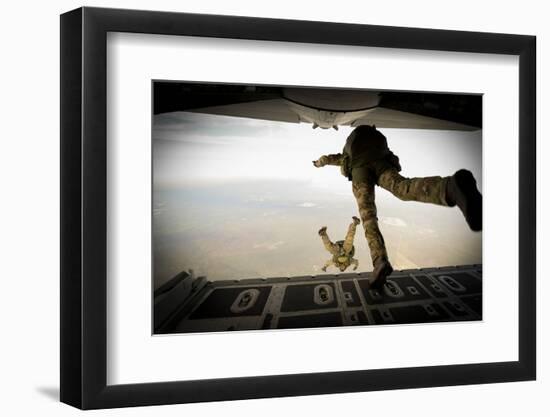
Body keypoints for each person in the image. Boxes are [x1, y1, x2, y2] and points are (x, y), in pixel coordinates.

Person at [313, 125, 482, 289]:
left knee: (368, 217)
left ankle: (380, 262)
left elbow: (327, 159)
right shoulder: (371, 142)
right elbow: (393, 159)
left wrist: (318, 164)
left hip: (360, 170)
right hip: (379, 160)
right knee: (402, 188)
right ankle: (451, 187)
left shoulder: (345, 156)